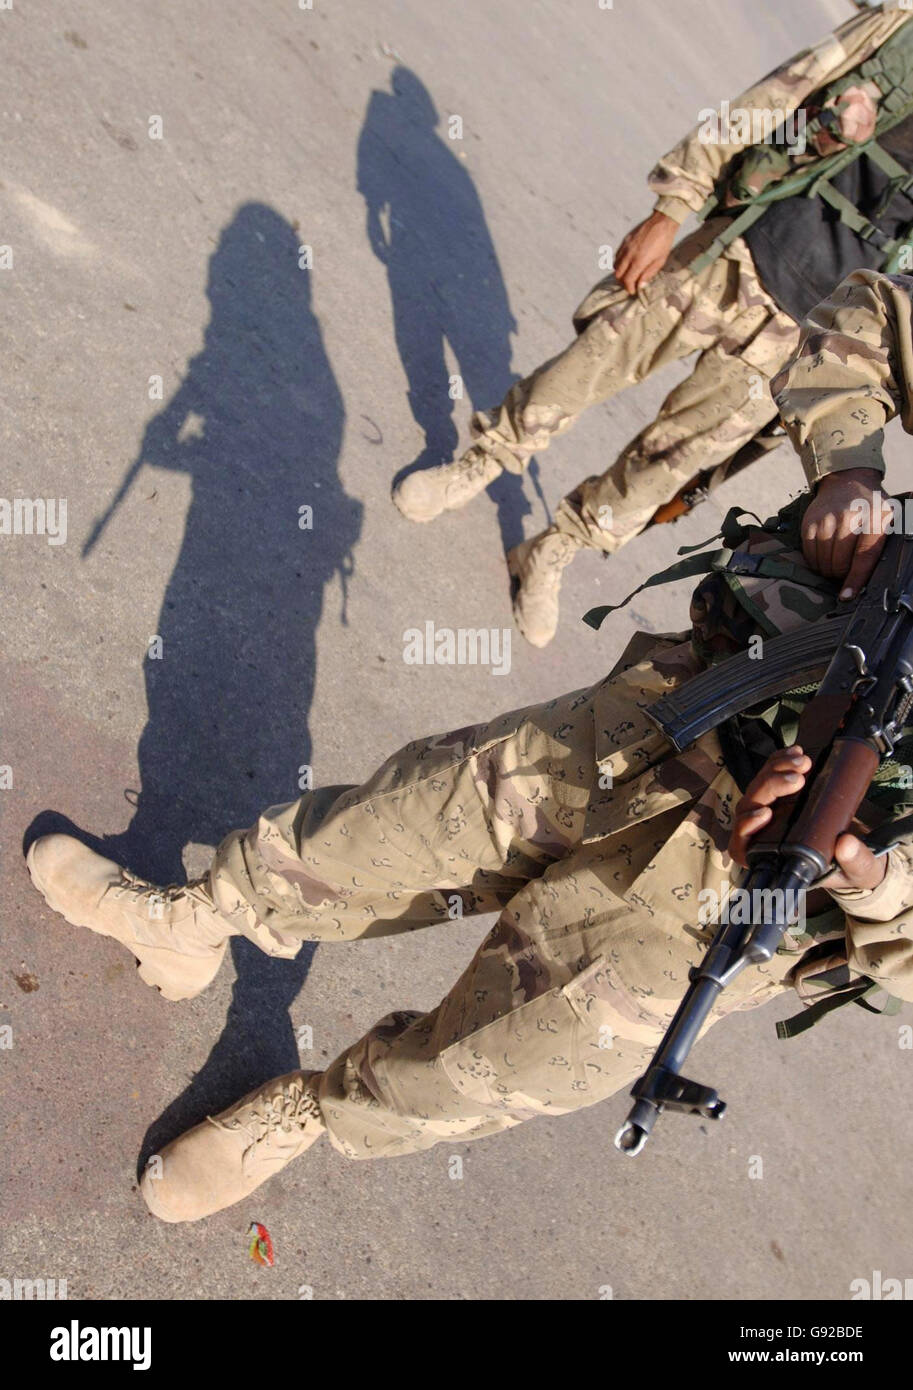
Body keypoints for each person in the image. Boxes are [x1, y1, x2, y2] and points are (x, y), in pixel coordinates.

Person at [26, 265, 913, 1219]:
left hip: (761, 892)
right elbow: (863, 310)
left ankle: (312, 1112)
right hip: (694, 706)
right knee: (396, 827)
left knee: (486, 1064)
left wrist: (872, 879)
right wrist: (849, 464)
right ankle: (191, 922)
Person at [392, 3, 913, 646]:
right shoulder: (901, 31)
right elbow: (776, 97)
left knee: (667, 464)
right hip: (738, 252)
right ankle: (479, 463)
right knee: (587, 366)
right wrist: (675, 205)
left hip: (803, 340)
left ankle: (553, 549)